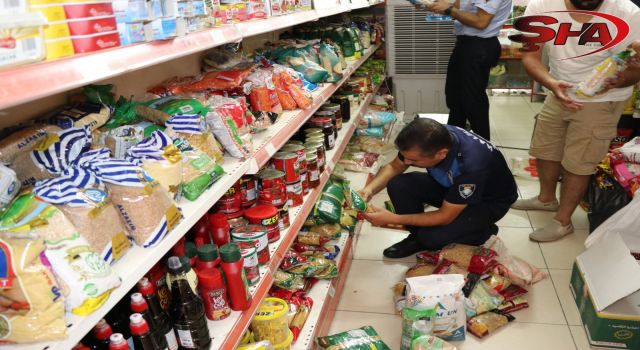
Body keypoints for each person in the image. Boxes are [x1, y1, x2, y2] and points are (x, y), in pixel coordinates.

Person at [512, 0, 640, 242]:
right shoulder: (540, 7)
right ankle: (546, 199)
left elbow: (637, 69)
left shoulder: (629, 13)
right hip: (558, 89)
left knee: (579, 161)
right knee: (545, 148)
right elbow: (530, 56)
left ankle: (563, 221)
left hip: (603, 99)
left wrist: (616, 80)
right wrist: (551, 83)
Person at [359, 118, 518, 259]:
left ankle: (482, 230)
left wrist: (393, 219)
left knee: (432, 239)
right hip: (453, 186)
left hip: (488, 201)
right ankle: (416, 237)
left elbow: (444, 216)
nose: (406, 162)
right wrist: (369, 189)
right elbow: (395, 166)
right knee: (398, 184)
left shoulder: (473, 164)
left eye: (413, 160)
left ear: (441, 154)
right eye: (404, 156)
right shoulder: (430, 137)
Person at [425, 0, 513, 141]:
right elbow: (460, 8)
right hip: (465, 45)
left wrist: (449, 9)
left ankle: (483, 149)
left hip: (479, 46)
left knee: (472, 101)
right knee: (455, 98)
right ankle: (453, 144)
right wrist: (434, 5)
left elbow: (480, 22)